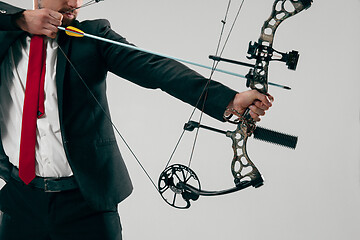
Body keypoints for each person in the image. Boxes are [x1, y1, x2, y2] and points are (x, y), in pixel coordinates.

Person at [0, 0, 273, 239]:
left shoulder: (91, 35)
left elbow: (153, 67)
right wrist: (17, 19)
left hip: (85, 203)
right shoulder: (7, 32)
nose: (74, 2)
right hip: (21, 200)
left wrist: (229, 100)